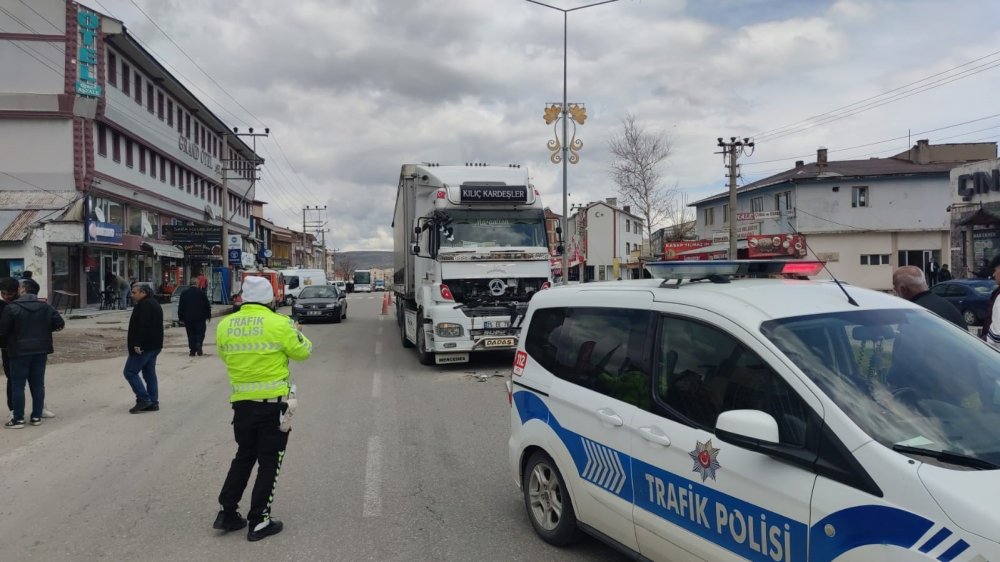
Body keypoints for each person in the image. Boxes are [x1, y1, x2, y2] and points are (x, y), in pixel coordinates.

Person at [214, 275, 312, 542]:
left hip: (241, 405)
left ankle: (227, 512)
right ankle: (259, 520)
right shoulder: (280, 324)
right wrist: (298, 333)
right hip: (272, 406)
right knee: (270, 461)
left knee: (244, 455)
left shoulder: (225, 325)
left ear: (243, 297)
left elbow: (225, 355)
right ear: (271, 298)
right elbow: (304, 353)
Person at [0, 278, 64, 428]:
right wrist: (44, 332)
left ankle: (18, 419)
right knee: (37, 385)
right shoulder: (45, 306)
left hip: (18, 352)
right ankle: (36, 417)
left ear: (22, 291)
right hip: (41, 351)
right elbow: (59, 324)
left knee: (17, 385)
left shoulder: (12, 308)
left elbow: (2, 332)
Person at [124, 283, 163, 413]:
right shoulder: (154, 303)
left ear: (143, 293)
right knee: (149, 373)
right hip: (154, 345)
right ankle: (153, 402)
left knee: (130, 372)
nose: (131, 295)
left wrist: (138, 344)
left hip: (144, 347)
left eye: (134, 293)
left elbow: (143, 326)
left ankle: (144, 399)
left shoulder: (144, 305)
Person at [891, 265, 966, 329]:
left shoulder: (913, 314)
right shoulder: (948, 306)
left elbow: (904, 344)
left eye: (895, 287)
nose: (894, 290)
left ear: (903, 289)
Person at [178, 279, 211, 356]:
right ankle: (199, 343)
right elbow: (207, 305)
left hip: (188, 318)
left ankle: (192, 351)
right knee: (200, 333)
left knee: (190, 334)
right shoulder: (202, 293)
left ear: (190, 284)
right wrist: (208, 315)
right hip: (200, 317)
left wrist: (181, 318)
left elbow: (181, 306)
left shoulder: (184, 293)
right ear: (197, 284)